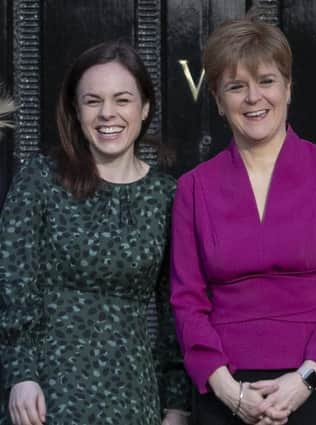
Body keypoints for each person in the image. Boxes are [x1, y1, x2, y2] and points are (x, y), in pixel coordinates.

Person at [170, 13, 316, 425]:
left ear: (288, 88)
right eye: (236, 86)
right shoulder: (194, 187)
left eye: (266, 81)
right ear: (217, 100)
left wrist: (305, 380)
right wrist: (227, 390)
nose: (253, 98)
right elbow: (187, 300)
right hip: (226, 393)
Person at [0, 41, 189, 425]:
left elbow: (177, 309)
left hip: (134, 394)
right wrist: (22, 375)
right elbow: (15, 284)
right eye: (92, 101)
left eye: (122, 100)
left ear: (145, 108)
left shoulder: (166, 196)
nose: (108, 113)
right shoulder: (41, 179)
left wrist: (178, 404)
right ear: (75, 110)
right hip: (49, 394)